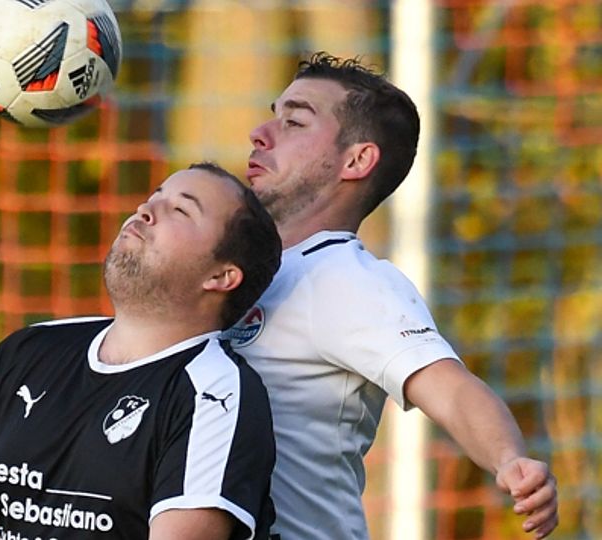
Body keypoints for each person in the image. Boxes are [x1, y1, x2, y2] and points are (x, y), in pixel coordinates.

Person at [0, 163, 282, 540]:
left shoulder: (216, 393)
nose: (145, 210)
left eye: (181, 210)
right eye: (154, 196)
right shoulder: (32, 351)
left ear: (222, 277)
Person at [226, 52, 559, 539]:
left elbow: (449, 387)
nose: (260, 132)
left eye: (294, 121)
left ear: (356, 160)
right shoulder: (232, 270)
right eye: (274, 114)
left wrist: (509, 461)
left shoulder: (343, 278)